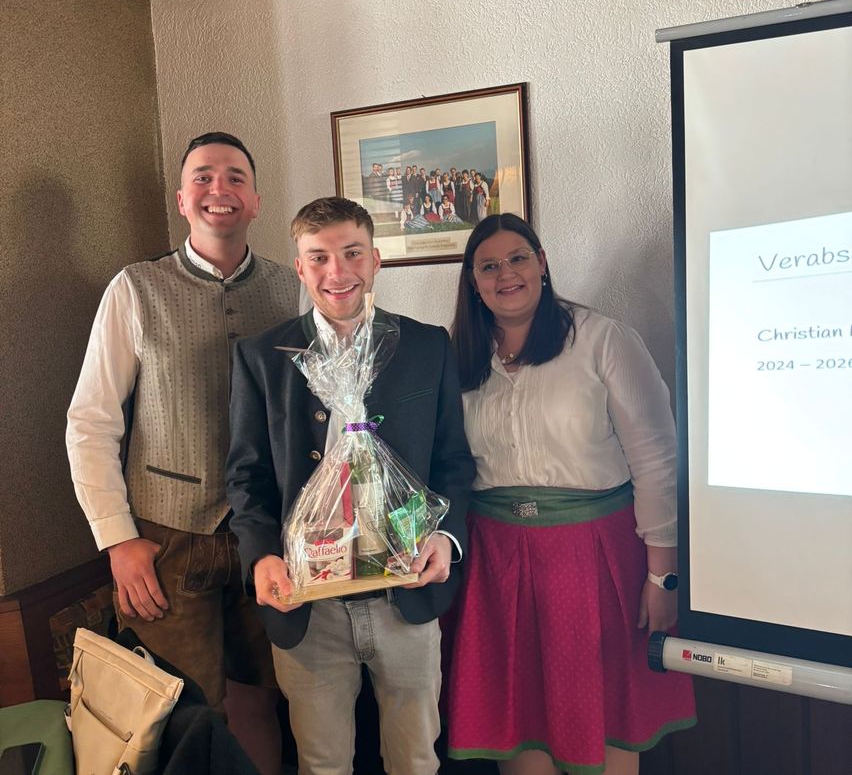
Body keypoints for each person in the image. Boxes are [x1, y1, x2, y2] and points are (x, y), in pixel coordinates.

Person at [66, 132, 302, 775]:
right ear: (181, 198)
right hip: (166, 540)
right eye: (202, 177)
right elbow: (90, 422)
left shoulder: (293, 289)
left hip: (271, 534)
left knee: (266, 698)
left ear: (254, 200)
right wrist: (118, 538)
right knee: (180, 713)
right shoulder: (134, 289)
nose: (217, 190)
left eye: (233, 177)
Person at [225, 197, 475, 775]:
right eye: (319, 258)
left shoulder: (426, 346)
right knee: (321, 762)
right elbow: (248, 476)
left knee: (416, 758)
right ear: (299, 267)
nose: (337, 273)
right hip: (307, 603)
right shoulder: (263, 357)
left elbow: (454, 463)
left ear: (376, 260)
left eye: (351, 253)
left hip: (406, 593)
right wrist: (261, 556)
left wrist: (446, 539)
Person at [444, 214, 695, 775]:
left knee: (604, 731)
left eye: (518, 259)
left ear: (542, 263)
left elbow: (656, 460)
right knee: (520, 728)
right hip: (497, 560)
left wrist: (663, 576)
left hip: (594, 554)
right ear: (472, 281)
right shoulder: (458, 355)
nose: (505, 274)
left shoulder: (602, 338)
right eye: (488, 266)